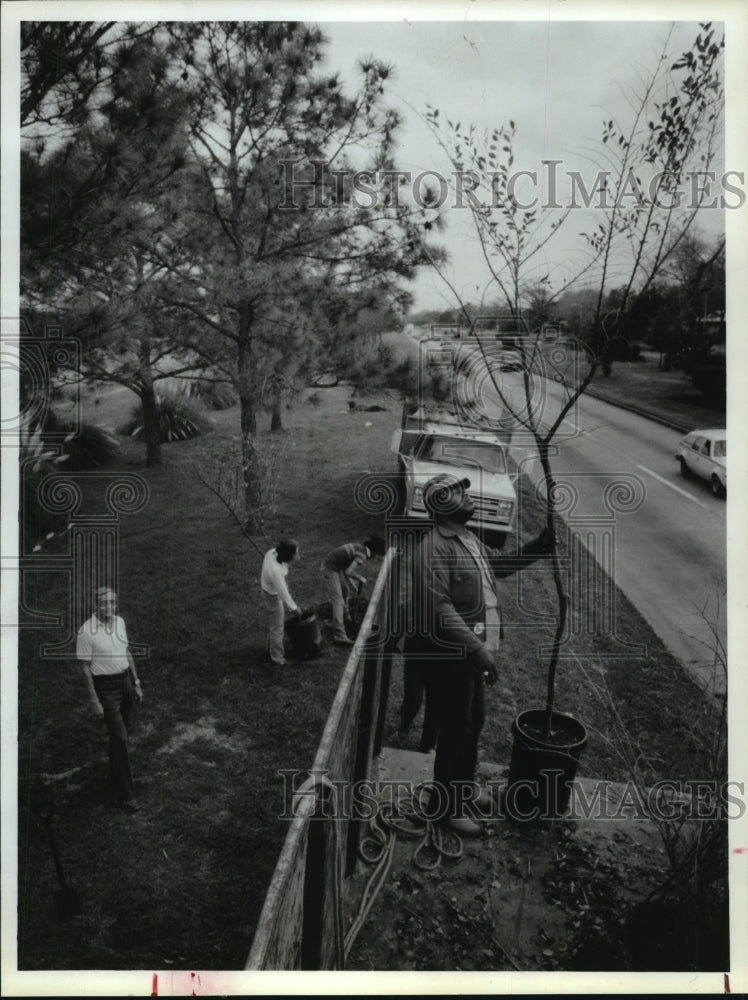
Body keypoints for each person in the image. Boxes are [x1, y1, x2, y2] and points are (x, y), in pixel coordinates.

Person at [406, 474, 551, 837]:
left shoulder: (468, 539)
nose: (468, 497)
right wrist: (477, 649)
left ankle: (464, 789)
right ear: (442, 505)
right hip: (448, 658)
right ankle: (446, 808)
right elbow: (436, 607)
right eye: (458, 493)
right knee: (455, 730)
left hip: (468, 657)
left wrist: (538, 547)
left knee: (474, 722)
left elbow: (496, 568)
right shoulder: (432, 549)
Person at [77, 587, 143, 813]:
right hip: (106, 689)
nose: (109, 607)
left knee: (120, 736)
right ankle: (127, 796)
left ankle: (114, 776)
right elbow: (85, 668)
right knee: (121, 738)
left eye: (113, 602)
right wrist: (94, 700)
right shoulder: (86, 631)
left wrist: (136, 682)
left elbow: (127, 652)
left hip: (125, 682)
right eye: (104, 603)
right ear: (95, 606)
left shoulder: (120, 622)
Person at [321, 535, 386, 646]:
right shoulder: (362, 554)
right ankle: (339, 635)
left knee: (346, 591)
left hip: (337, 567)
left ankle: (346, 619)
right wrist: (360, 578)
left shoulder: (360, 547)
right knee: (338, 601)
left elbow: (345, 565)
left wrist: (352, 583)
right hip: (330, 568)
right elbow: (349, 571)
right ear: (374, 552)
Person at [261, 538, 301, 666]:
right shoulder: (276, 571)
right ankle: (277, 658)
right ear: (289, 555)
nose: (298, 555)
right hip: (272, 596)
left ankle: (270, 649)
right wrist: (294, 608)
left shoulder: (272, 552)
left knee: (274, 623)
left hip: (269, 590)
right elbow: (283, 593)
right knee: (278, 628)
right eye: (296, 552)